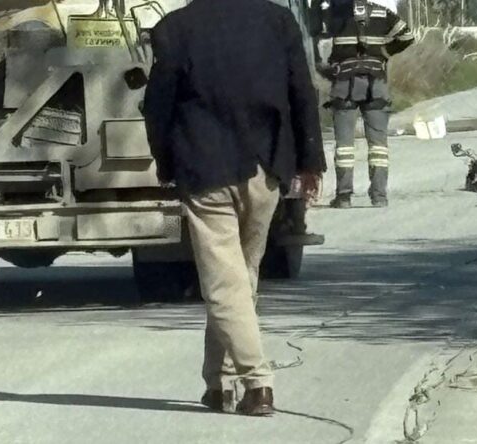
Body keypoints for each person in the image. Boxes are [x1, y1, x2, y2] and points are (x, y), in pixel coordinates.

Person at [143, 0, 326, 416]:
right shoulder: (278, 20)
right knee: (238, 279)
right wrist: (310, 162)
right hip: (266, 168)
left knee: (226, 284)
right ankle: (219, 383)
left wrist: (166, 164)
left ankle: (257, 382)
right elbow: (302, 91)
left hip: (204, 169)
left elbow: (158, 106)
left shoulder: (175, 28)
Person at [311, 0, 414, 209]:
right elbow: (408, 36)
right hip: (376, 84)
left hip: (344, 85)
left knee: (344, 146)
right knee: (378, 145)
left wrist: (324, 68)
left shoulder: (332, 13)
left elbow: (314, 37)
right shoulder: (381, 13)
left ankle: (344, 197)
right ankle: (379, 196)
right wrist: (385, 52)